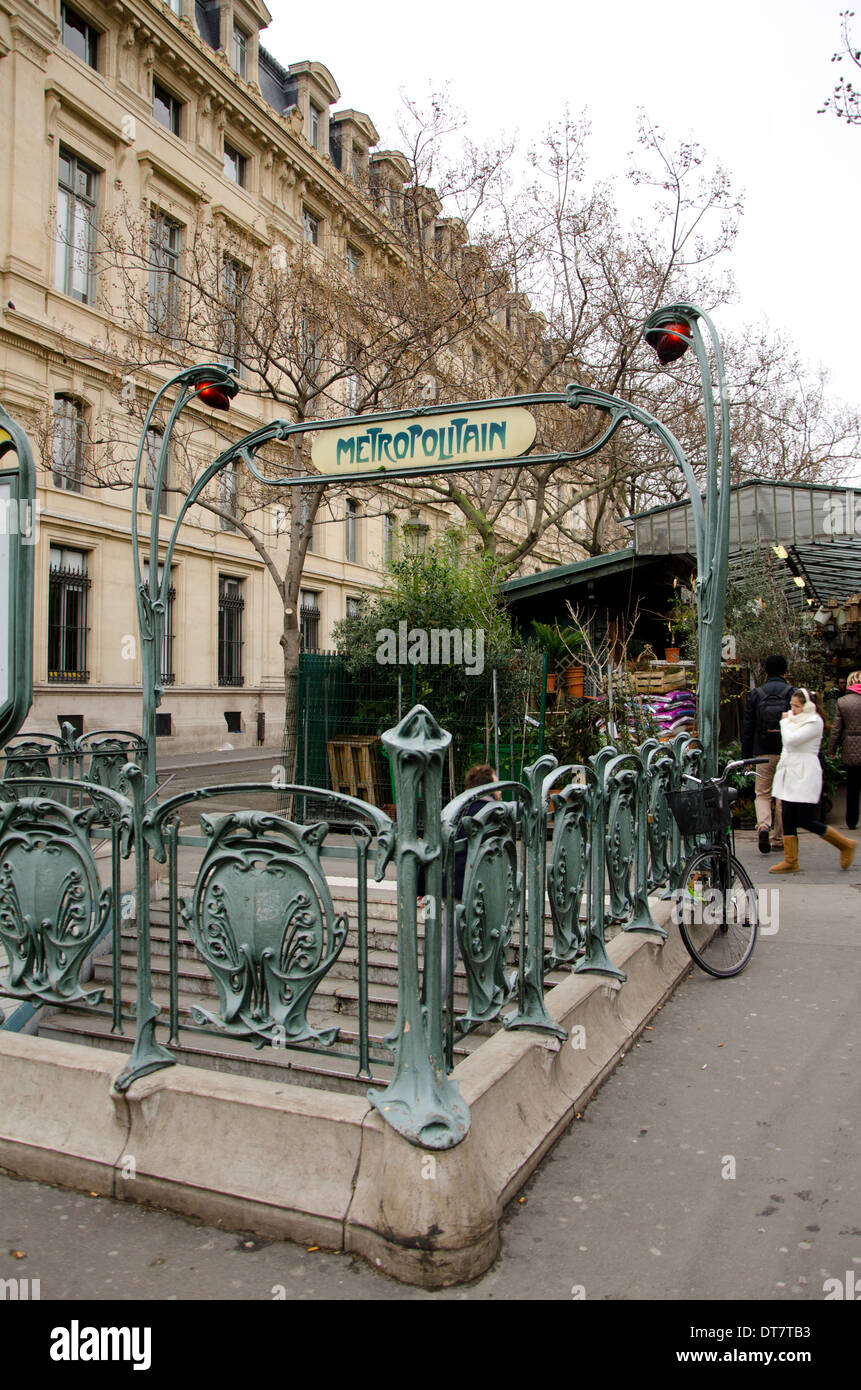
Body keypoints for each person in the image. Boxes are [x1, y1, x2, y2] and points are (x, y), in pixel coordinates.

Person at [769, 689, 856, 873]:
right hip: (790, 770)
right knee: (787, 815)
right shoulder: (795, 720)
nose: (793, 709)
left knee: (805, 819)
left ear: (807, 706)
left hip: (804, 772)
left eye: (797, 706)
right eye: (791, 705)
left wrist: (784, 721)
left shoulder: (814, 721)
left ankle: (845, 844)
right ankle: (791, 860)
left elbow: (791, 740)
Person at [741, 654, 794, 855]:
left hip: (762, 753)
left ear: (765, 671)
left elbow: (748, 727)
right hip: (786, 752)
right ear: (785, 671)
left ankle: (763, 826)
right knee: (782, 795)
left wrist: (746, 757)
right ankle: (779, 838)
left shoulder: (756, 694)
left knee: (762, 794)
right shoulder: (792, 693)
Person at [827, 668, 861, 830]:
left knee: (852, 786)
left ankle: (851, 821)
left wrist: (831, 750)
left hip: (851, 748)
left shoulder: (843, 702)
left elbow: (836, 730)